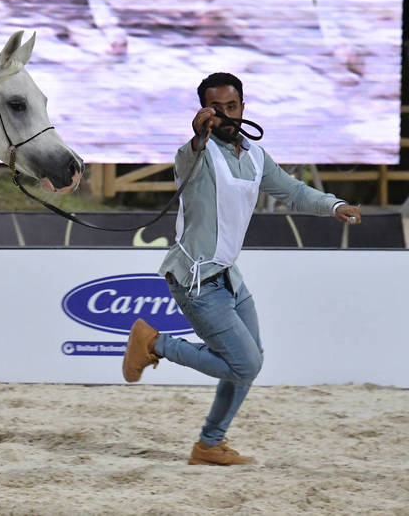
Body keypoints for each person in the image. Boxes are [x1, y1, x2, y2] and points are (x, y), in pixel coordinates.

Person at [122, 71, 361, 466]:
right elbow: (187, 160)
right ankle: (152, 344)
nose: (226, 115)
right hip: (196, 280)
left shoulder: (253, 155)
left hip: (229, 278)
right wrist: (198, 136)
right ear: (204, 112)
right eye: (216, 109)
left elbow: (293, 191)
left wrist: (333, 206)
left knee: (248, 364)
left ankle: (209, 445)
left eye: (232, 107)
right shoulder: (196, 154)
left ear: (243, 108)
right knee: (244, 363)